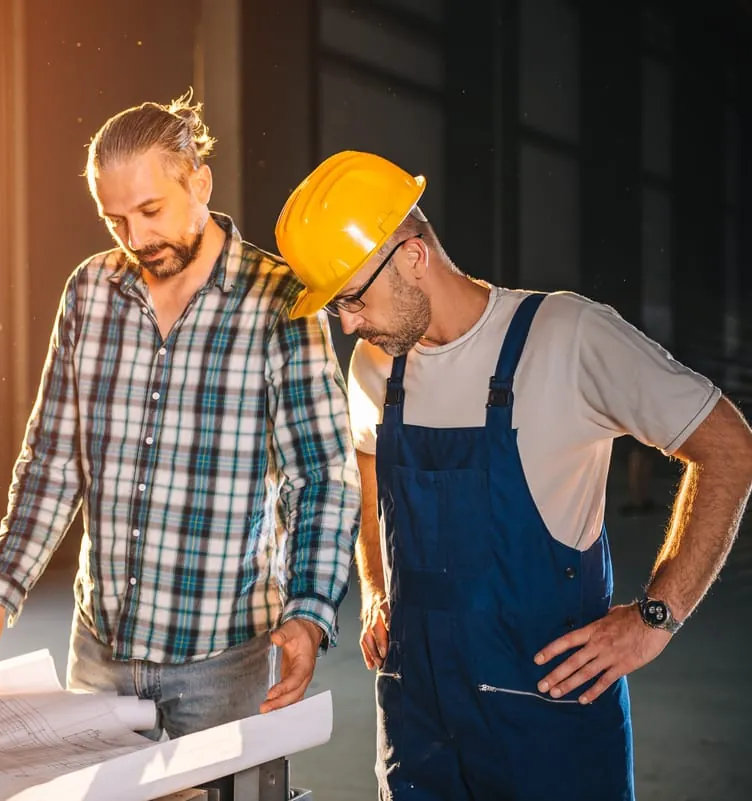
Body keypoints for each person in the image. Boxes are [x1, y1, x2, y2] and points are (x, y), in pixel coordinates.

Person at [274, 150, 752, 799]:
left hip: (548, 727)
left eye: (353, 297)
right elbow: (368, 467)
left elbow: (729, 447)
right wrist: (376, 583)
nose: (350, 323)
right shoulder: (374, 368)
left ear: (414, 256)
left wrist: (655, 618)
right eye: (338, 308)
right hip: (418, 726)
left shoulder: (566, 337)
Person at [0, 94, 359, 740]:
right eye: (115, 220)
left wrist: (308, 612)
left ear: (200, 182)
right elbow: (53, 461)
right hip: (101, 653)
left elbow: (323, 474)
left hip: (227, 663)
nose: (135, 239)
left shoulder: (281, 303)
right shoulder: (89, 293)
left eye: (151, 211)